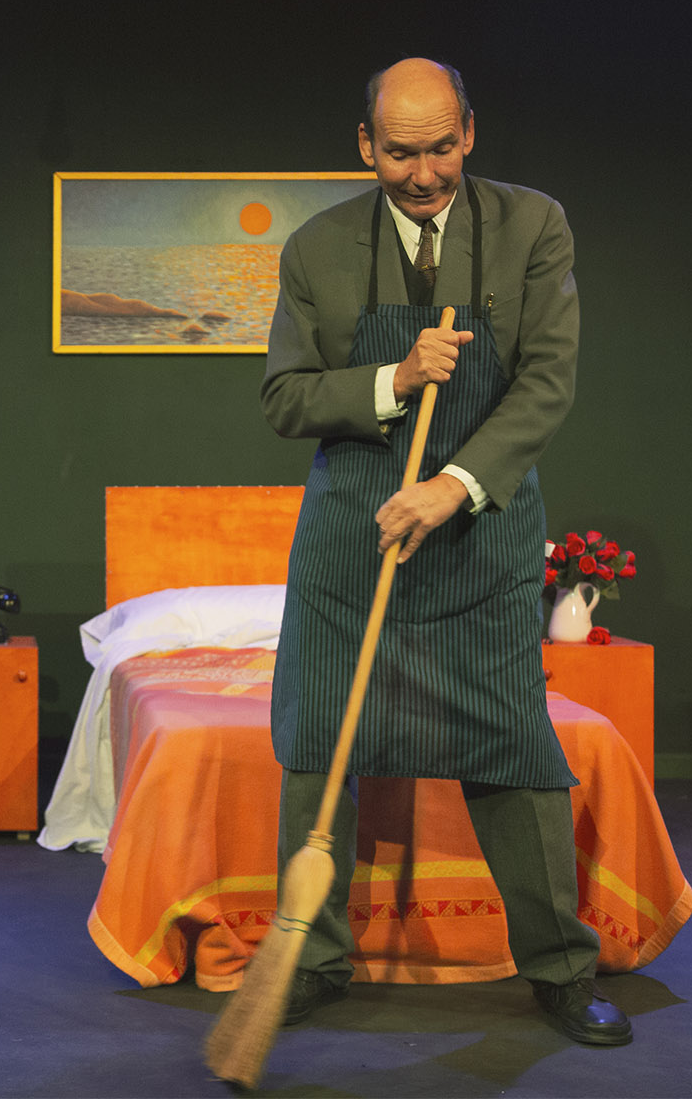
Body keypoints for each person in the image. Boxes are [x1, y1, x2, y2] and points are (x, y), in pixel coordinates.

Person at [260, 58, 630, 1046]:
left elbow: (546, 381)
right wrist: (392, 378)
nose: (422, 173)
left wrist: (453, 485)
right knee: (316, 747)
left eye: (439, 149)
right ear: (365, 147)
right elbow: (286, 396)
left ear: (469, 133)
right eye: (399, 153)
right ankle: (310, 960)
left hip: (479, 537)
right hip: (355, 543)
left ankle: (560, 970)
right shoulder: (316, 247)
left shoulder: (531, 226)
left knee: (515, 748)